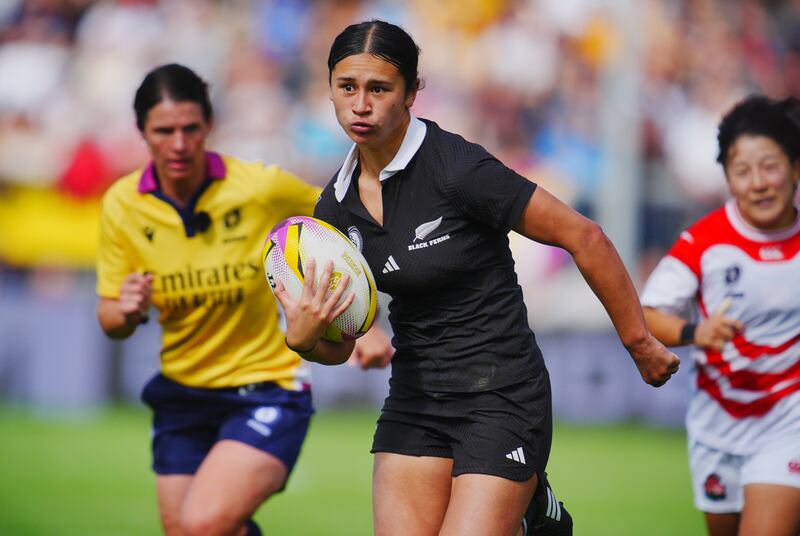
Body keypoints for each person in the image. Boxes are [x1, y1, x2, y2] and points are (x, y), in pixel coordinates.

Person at [271, 20, 680, 536]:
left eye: (379, 88)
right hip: (416, 397)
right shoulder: (334, 206)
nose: (360, 104)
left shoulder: (457, 169)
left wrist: (638, 340)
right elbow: (339, 341)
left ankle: (533, 508)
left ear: (412, 92)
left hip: (502, 394)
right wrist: (306, 340)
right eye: (346, 87)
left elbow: (586, 237)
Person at [95, 63, 392, 536]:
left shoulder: (258, 188)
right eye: (164, 131)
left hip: (266, 386)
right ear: (141, 132)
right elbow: (109, 316)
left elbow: (336, 228)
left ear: (209, 125)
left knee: (202, 524)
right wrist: (126, 310)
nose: (178, 144)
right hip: (182, 393)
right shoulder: (121, 206)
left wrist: (362, 324)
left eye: (191, 128)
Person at [641, 95, 800, 536]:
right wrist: (697, 331)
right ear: (728, 178)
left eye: (770, 166)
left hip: (789, 423)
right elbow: (648, 316)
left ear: (795, 168)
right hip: (718, 428)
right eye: (742, 171)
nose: (758, 183)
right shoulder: (704, 241)